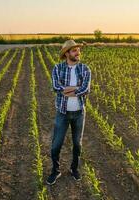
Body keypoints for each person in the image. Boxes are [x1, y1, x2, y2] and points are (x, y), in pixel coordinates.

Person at [46, 40, 91, 185]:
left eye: (78, 50)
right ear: (66, 53)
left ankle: (74, 169)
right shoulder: (57, 68)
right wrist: (75, 89)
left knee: (77, 144)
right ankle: (55, 170)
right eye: (74, 50)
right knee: (56, 145)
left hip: (79, 113)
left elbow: (86, 90)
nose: (78, 53)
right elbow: (56, 87)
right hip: (62, 113)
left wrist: (68, 90)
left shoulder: (85, 69)